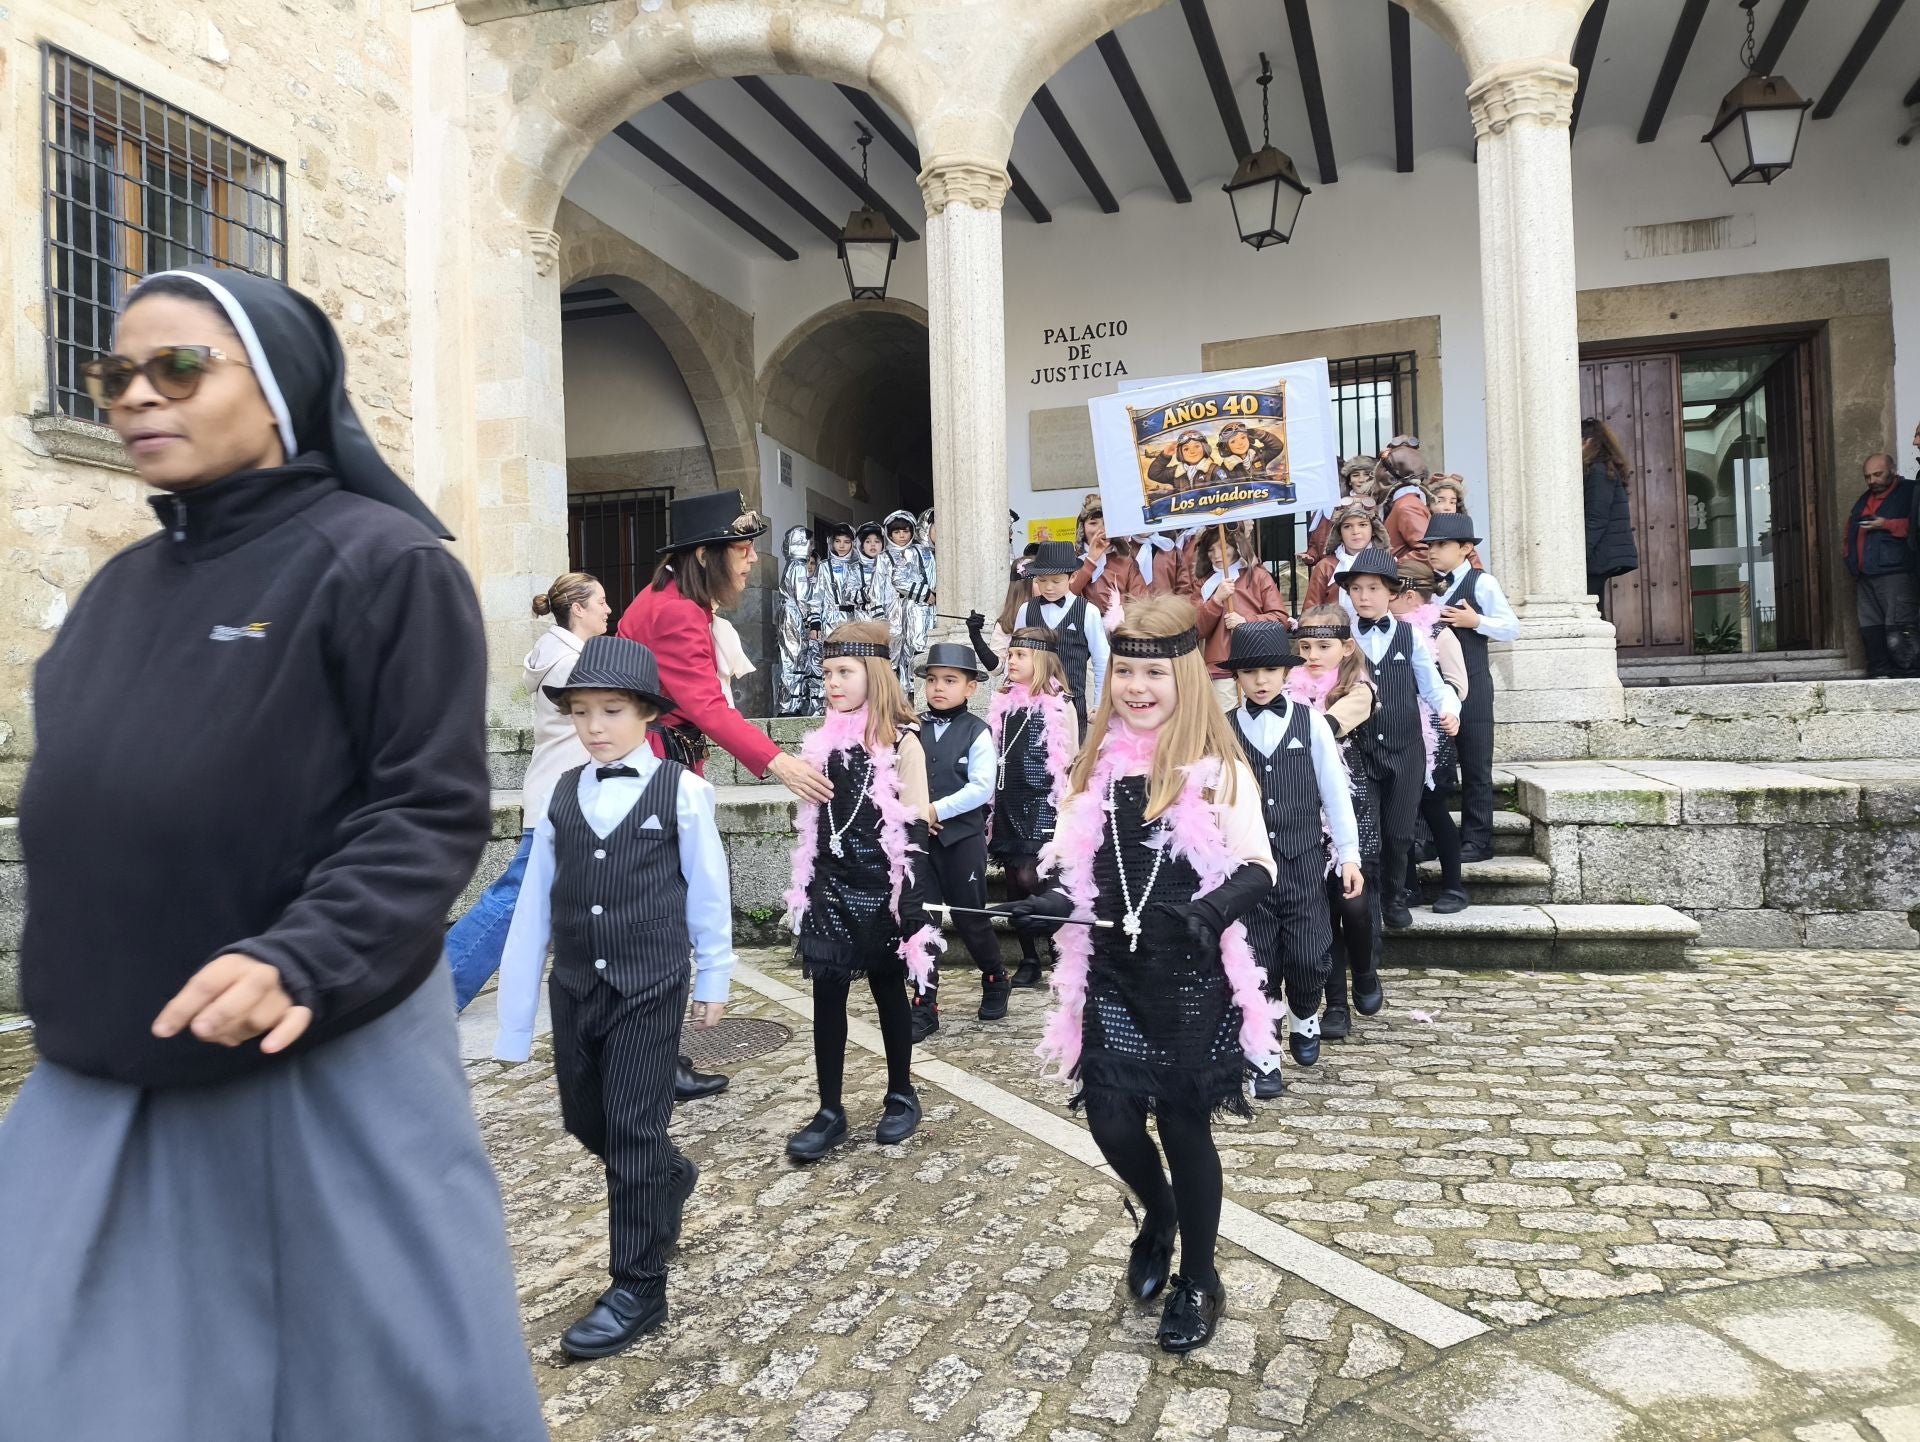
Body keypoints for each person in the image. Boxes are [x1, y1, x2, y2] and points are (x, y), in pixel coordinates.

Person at [0, 266, 544, 1439]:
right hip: (100, 1066)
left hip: (315, 1058)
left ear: (280, 387)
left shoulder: (384, 564)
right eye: (114, 375)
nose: (139, 394)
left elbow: (427, 808)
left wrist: (304, 953)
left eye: (179, 367)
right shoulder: (115, 590)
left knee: (377, 1393)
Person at [1000, 598, 1281, 1355]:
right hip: (1115, 975)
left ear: (1184, 676)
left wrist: (1213, 908)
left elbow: (1259, 864)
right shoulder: (1094, 764)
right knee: (1111, 1118)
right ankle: (1157, 1213)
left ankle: (1199, 1276)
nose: (1137, 686)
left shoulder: (1218, 766)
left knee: (1184, 1125)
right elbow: (1073, 861)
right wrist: (1048, 903)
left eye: (1154, 671)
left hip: (1190, 976)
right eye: (1125, 670)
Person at [490, 636, 730, 1357]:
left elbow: (709, 887)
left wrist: (713, 973)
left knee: (630, 1128)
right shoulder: (563, 793)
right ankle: (668, 1172)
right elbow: (535, 902)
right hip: (575, 987)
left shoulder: (682, 791)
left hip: (649, 986)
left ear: (648, 715)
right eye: (582, 712)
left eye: (612, 711)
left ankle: (638, 1285)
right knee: (583, 1116)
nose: (595, 726)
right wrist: (514, 1022)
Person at [781, 623, 939, 1162]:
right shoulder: (821, 742)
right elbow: (815, 823)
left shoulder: (904, 742)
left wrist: (910, 898)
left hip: (881, 885)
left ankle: (901, 1092)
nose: (831, 683)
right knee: (827, 995)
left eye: (844, 672)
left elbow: (914, 825)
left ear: (874, 675)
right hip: (830, 883)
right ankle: (830, 1110)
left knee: (888, 991)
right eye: (826, 673)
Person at [445, 570, 604, 1011]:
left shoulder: (559, 654)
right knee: (514, 898)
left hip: (564, 794)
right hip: (562, 797)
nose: (609, 609)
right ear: (578, 609)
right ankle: (436, 990)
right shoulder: (571, 663)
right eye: (601, 602)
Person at [618, 489, 832, 806]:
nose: (754, 558)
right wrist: (780, 762)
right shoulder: (677, 611)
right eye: (743, 548)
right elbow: (708, 708)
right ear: (705, 556)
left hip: (655, 755)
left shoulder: (673, 597)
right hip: (654, 765)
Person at [1219, 622, 1361, 1101]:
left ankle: (1304, 1014)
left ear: (1287, 673)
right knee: (1256, 965)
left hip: (1302, 862)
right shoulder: (1223, 729)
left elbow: (1335, 793)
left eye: (1271, 671)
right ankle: (1262, 1060)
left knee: (1307, 956)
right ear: (1237, 677)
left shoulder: (1311, 722)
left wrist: (1349, 855)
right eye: (1251, 672)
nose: (1261, 681)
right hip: (1248, 870)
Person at [1338, 549, 1460, 931]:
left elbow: (1433, 685)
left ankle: (1394, 896)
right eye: (1356, 589)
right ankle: (1368, 905)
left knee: (1399, 831)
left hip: (1406, 750)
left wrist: (1449, 710)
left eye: (1373, 588)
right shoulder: (1344, 638)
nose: (1363, 596)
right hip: (1360, 750)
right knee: (1365, 829)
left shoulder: (1411, 636)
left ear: (1391, 591)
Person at [1288, 607, 1386, 1040]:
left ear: (1346, 648)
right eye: (1305, 647)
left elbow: (1328, 727)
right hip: (1304, 802)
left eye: (1323, 647)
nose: (1312, 655)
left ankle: (1365, 971)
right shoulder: (1288, 688)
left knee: (1353, 900)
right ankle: (1336, 1005)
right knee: (1322, 908)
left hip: (1349, 802)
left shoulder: (1358, 689)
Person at [908, 642, 1005, 1039]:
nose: (938, 688)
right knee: (921, 922)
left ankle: (996, 976)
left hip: (962, 840)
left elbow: (981, 788)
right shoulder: (911, 729)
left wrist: (935, 810)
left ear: (970, 688)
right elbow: (897, 778)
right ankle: (924, 1002)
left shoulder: (977, 732)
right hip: (920, 841)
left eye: (950, 680)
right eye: (932, 680)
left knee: (970, 917)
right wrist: (914, 814)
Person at [987, 628, 1078, 989]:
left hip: (1043, 802)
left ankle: (1057, 948)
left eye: (1020, 655)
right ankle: (1028, 956)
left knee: (1035, 878)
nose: (1011, 661)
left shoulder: (1060, 704)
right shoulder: (1004, 703)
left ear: (1041, 660)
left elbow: (1068, 759)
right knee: (1013, 881)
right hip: (1009, 800)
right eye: (1010, 655)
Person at [1430, 514, 1518, 863]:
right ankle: (1433, 837)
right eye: (1430, 545)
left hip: (1476, 685)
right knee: (1434, 764)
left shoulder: (1483, 583)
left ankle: (1478, 841)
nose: (1433, 552)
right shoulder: (1427, 584)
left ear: (1465, 548)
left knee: (1476, 763)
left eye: (1441, 545)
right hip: (1437, 686)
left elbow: (1511, 627)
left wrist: (1476, 621)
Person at [1389, 560, 1470, 916]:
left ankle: (1454, 884)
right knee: (1399, 812)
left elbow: (1458, 684)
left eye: (1389, 592)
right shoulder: (1388, 631)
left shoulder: (1440, 632)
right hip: (1400, 731)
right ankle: (1407, 886)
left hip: (1433, 734)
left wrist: (1435, 703)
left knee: (1435, 810)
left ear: (1408, 596)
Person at [1017, 540, 1109, 732]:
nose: (1048, 587)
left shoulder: (1087, 611)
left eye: (1056, 581)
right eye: (1041, 580)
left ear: (1073, 576)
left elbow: (1102, 659)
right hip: (1032, 702)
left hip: (1073, 704)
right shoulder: (1026, 610)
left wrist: (1099, 704)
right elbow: (1016, 654)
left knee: (1071, 759)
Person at [1193, 526, 1289, 710]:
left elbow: (1280, 619)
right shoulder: (1203, 584)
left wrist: (1246, 622)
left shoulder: (1258, 576)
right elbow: (1196, 629)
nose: (1216, 555)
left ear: (1237, 547)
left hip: (1257, 662)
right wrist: (1215, 600)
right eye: (1211, 550)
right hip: (1221, 668)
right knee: (1227, 724)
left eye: (1223, 548)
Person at [1844, 452, 1917, 678]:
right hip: (1865, 575)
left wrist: (1886, 524)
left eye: (1878, 474)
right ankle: (1879, 671)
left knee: (1900, 624)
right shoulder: (1863, 499)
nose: (1872, 480)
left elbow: (1916, 527)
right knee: (1870, 626)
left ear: (1893, 470)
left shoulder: (1911, 492)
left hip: (1896, 572)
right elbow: (1850, 531)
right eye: (1868, 476)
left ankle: (1910, 675)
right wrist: (1849, 557)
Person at [1581, 418, 1639, 616]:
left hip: (1598, 554)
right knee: (1593, 611)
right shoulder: (1602, 469)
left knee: (1587, 611)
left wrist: (1581, 556)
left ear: (1588, 441)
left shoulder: (1598, 470)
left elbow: (1596, 518)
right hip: (1601, 554)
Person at [881, 508, 936, 698]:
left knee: (925, 647)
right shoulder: (898, 555)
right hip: (910, 609)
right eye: (897, 532)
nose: (902, 536)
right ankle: (911, 692)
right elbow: (897, 580)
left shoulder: (926, 551)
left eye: (905, 531)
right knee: (911, 649)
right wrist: (924, 593)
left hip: (929, 609)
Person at [1303, 500, 1386, 618]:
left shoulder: (1386, 563)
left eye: (1362, 525)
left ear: (1373, 529)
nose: (1355, 532)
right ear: (1339, 532)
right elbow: (1310, 612)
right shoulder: (1326, 566)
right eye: (1347, 526)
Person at [1070, 495, 1148, 617]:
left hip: (1120, 631)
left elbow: (1141, 601)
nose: (1100, 530)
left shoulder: (1125, 561)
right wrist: (1090, 561)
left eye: (1106, 523)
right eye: (1093, 523)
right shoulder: (1072, 561)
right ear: (1083, 528)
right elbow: (1066, 596)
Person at [776, 525, 826, 716]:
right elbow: (803, 597)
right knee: (794, 661)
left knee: (791, 660)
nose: (811, 546)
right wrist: (811, 621)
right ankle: (789, 707)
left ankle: (789, 704)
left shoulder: (791, 565)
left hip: (789, 614)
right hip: (794, 616)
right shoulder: (798, 567)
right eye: (809, 542)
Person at [1377, 437, 1432, 560]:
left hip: (1404, 576)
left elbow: (1425, 551)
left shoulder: (1407, 505)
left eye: (1382, 468)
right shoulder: (1403, 502)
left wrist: (1390, 566)